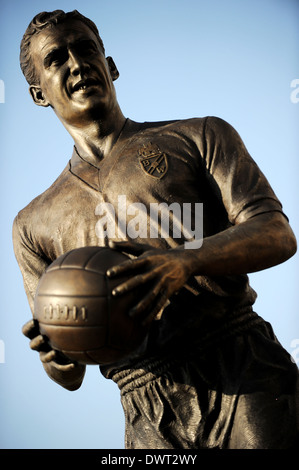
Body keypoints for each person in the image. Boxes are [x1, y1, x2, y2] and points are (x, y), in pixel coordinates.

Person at [13, 10, 299, 449]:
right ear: (38, 95)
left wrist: (187, 261)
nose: (77, 63)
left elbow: (277, 233)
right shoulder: (33, 224)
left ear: (111, 66)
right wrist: (58, 353)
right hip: (144, 406)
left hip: (240, 365)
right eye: (56, 58)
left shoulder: (199, 135)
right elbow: (66, 376)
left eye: (86, 49)